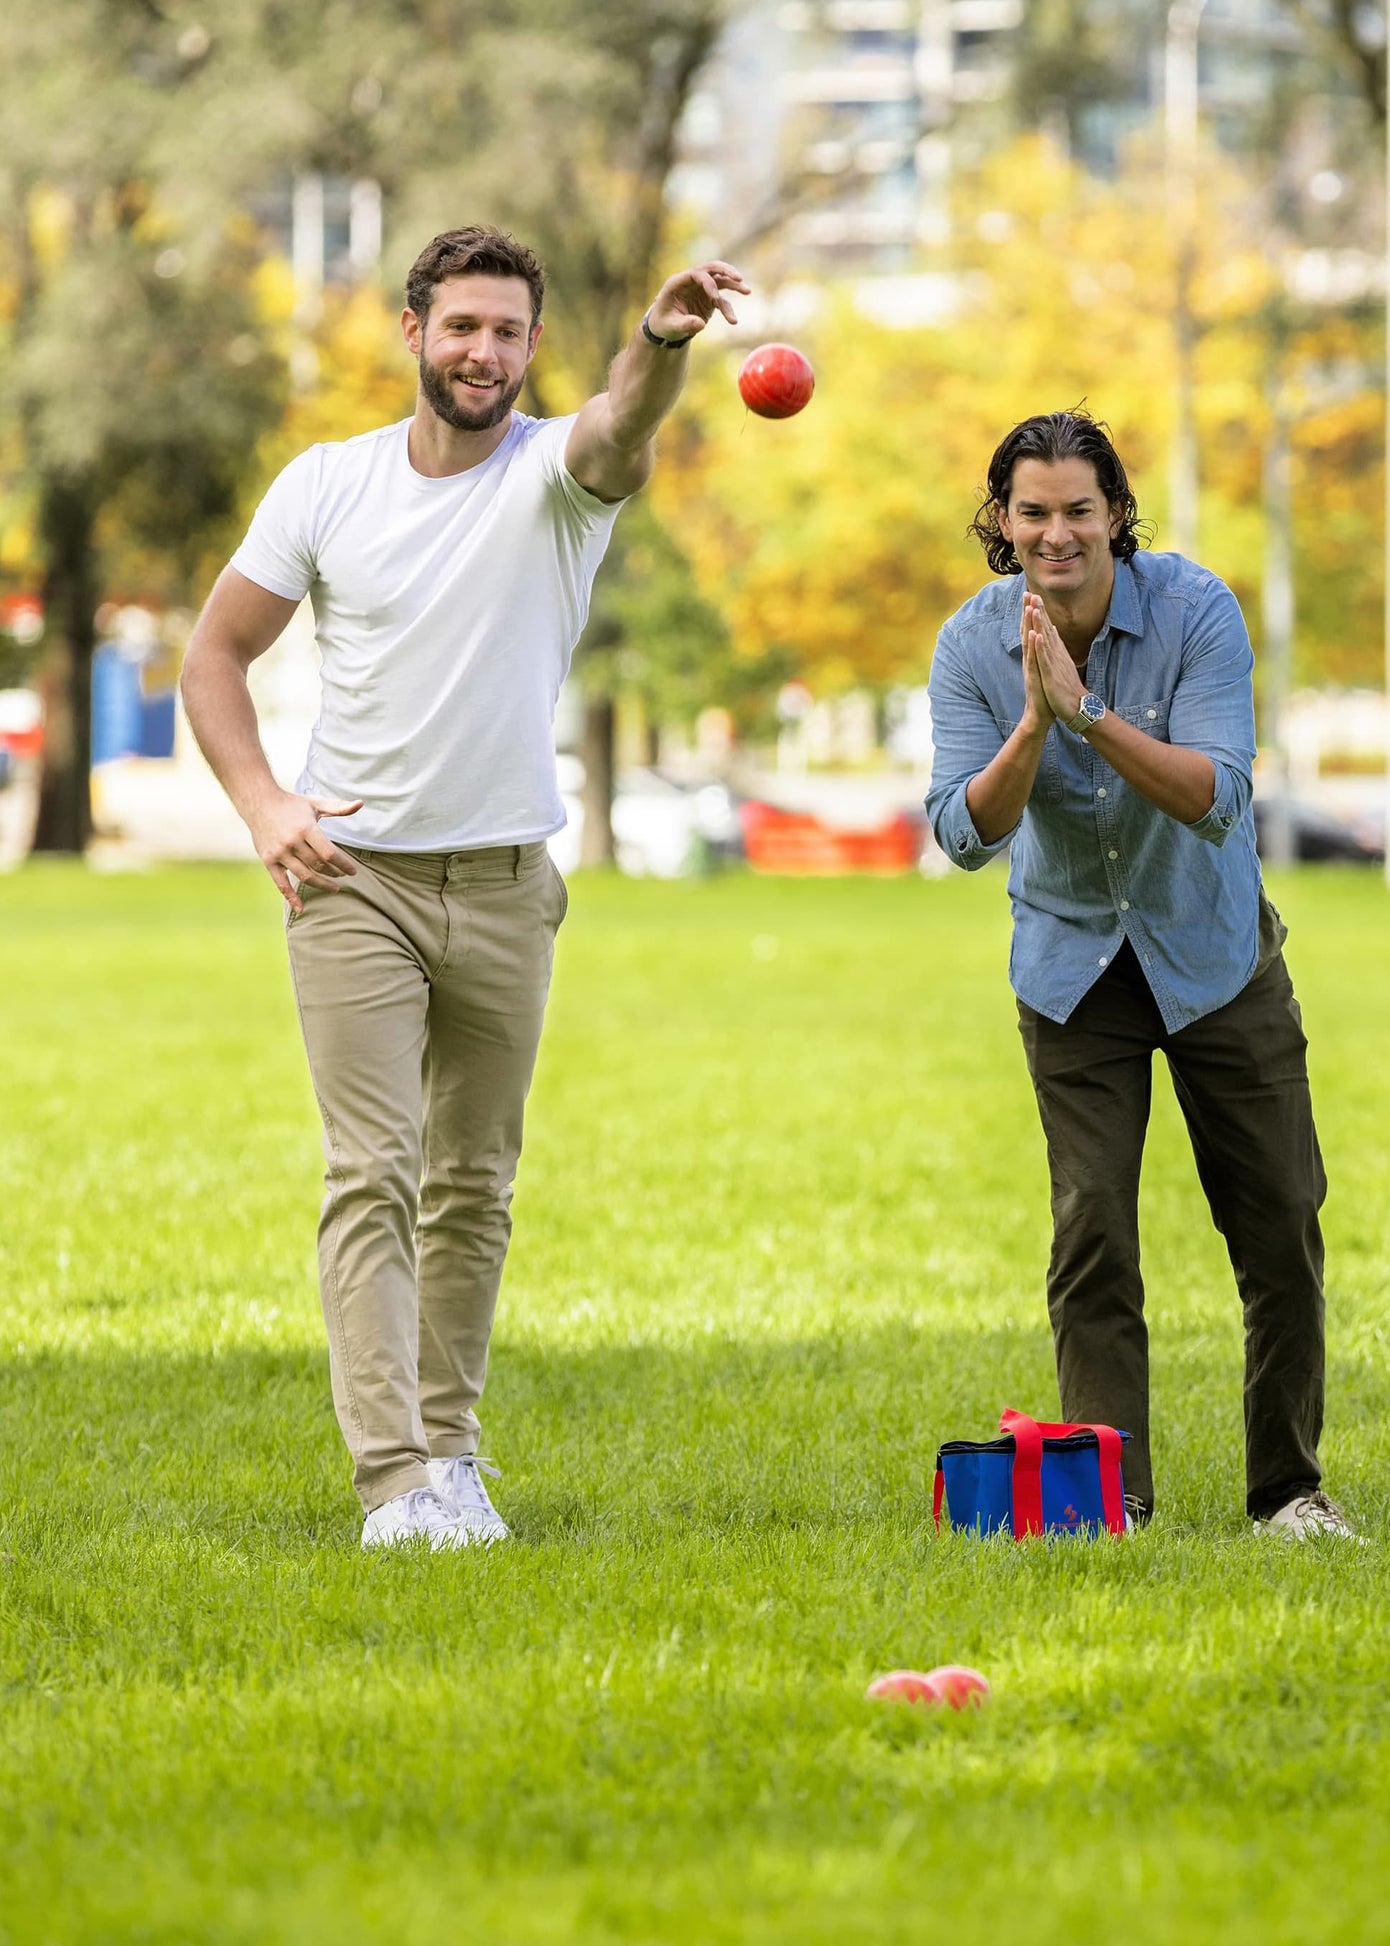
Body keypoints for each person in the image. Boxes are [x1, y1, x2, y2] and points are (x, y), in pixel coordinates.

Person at [182, 226, 749, 1548]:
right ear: (414, 332)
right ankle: (392, 1481)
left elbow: (618, 426)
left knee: (473, 1184)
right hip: (353, 879)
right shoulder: (327, 486)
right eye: (462, 327)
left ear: (529, 346)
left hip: (505, 884)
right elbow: (214, 654)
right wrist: (267, 806)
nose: (483, 351)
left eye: (506, 331)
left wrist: (661, 342)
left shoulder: (557, 478)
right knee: (371, 1170)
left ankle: (452, 1454)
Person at [924, 408, 1354, 1541]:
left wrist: (1086, 713)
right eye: (1032, 512)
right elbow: (961, 836)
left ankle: (1287, 1493)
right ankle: (1107, 1498)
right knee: (1093, 1232)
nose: (1056, 533)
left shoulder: (1195, 609)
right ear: (1000, 523)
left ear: (1116, 514)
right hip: (1071, 973)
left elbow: (1216, 796)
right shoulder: (972, 643)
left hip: (1214, 959)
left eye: (1078, 510)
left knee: (1278, 1227)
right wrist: (1030, 726)